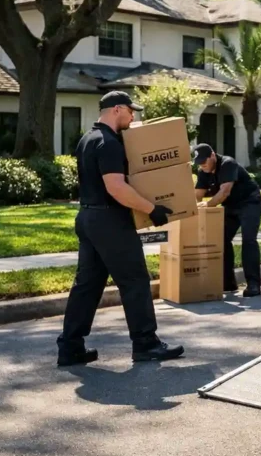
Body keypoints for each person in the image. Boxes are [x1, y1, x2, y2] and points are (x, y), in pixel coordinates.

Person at [56, 91, 184, 367]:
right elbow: (115, 187)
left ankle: (70, 347)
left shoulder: (87, 139)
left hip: (88, 218)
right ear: (116, 110)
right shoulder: (110, 143)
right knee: (135, 280)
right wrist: (152, 209)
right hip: (110, 221)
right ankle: (145, 343)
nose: (133, 115)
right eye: (130, 110)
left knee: (87, 286)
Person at [194, 144, 261, 297]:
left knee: (249, 240)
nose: (202, 165)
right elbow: (197, 195)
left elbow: (224, 191)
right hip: (231, 206)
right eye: (199, 163)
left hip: (250, 202)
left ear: (212, 155)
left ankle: (253, 285)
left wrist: (207, 204)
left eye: (204, 161)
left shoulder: (228, 164)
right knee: (222, 239)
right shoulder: (203, 172)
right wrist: (191, 210)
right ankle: (228, 283)